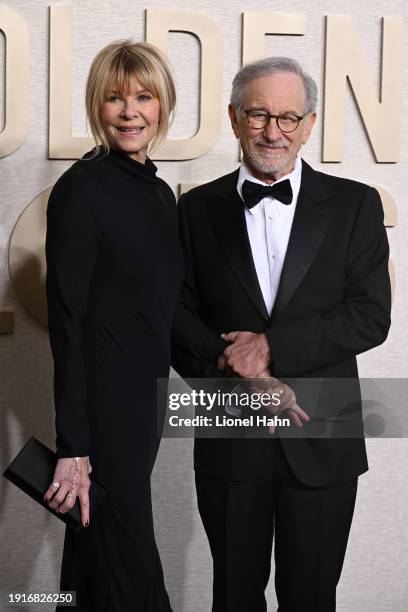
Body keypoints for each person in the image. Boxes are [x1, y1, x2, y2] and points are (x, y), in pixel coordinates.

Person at [171, 57, 391, 611]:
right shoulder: (194, 210)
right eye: (259, 114)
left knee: (312, 598)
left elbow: (370, 315)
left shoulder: (355, 204)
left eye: (289, 117)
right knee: (235, 598)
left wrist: (268, 348)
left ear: (309, 124)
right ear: (234, 117)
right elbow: (175, 319)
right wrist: (238, 374)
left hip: (324, 437)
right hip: (229, 435)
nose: (274, 131)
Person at [43, 40, 183, 611]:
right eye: (114, 98)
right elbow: (67, 321)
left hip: (144, 403)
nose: (130, 112)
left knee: (93, 560)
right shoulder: (81, 189)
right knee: (126, 560)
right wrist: (74, 445)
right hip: (104, 414)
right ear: (96, 107)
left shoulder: (156, 193)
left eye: (143, 97)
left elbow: (165, 309)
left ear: (162, 104)